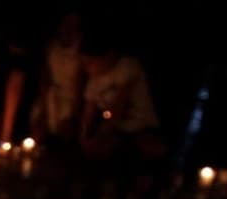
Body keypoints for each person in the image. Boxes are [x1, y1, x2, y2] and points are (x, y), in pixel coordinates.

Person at [78, 30, 165, 163]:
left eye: (91, 63)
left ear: (109, 56)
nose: (87, 69)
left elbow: (118, 107)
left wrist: (100, 137)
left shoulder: (127, 67)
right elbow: (89, 110)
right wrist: (84, 136)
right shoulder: (94, 80)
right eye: (85, 64)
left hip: (139, 126)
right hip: (115, 129)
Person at [37, 11, 84, 141]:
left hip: (73, 98)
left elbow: (81, 82)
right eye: (66, 23)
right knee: (38, 128)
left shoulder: (81, 46)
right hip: (52, 95)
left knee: (66, 131)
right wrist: (43, 108)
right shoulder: (52, 46)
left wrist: (75, 114)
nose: (69, 28)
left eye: (73, 24)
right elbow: (44, 78)